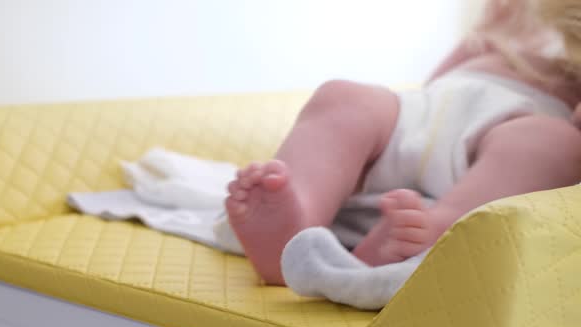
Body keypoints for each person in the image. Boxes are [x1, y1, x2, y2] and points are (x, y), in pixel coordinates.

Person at [225, 0, 581, 285]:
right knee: (344, 96)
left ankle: (428, 233)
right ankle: (294, 224)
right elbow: (433, 84)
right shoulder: (508, 27)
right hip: (420, 116)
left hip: (499, 147)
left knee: (557, 144)